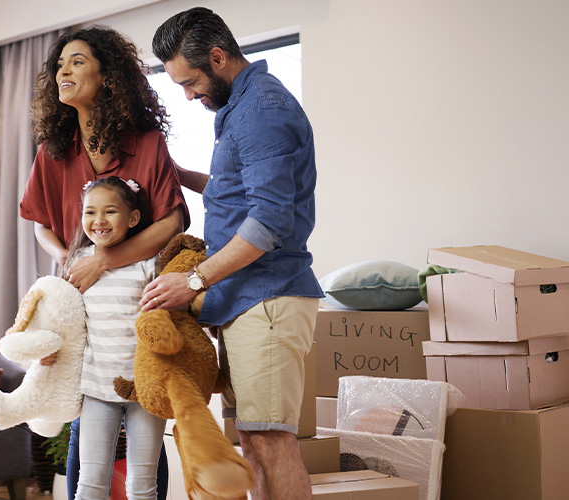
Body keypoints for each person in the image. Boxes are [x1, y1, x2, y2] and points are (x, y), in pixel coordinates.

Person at [141, 7, 322, 500]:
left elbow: (268, 224)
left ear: (218, 57)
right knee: (251, 441)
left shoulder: (263, 109)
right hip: (246, 301)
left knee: (271, 440)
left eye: (191, 81)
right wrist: (177, 175)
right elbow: (235, 193)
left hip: (268, 299)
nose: (189, 94)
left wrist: (195, 280)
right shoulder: (241, 109)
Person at [20, 26, 203, 499]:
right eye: (60, 64)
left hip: (140, 300)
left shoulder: (145, 142)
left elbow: (173, 220)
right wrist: (67, 259)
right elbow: (40, 221)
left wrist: (102, 260)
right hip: (82, 301)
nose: (63, 70)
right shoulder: (52, 152)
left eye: (77, 61)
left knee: (148, 431)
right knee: (88, 425)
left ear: (110, 76)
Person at [63, 176, 167, 500]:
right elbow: (65, 318)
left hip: (146, 388)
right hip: (96, 387)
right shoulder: (79, 264)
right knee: (90, 482)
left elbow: (169, 319)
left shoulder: (150, 263)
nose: (99, 221)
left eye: (110, 211)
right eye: (90, 212)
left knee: (142, 483)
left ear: (133, 218)